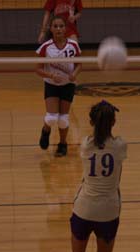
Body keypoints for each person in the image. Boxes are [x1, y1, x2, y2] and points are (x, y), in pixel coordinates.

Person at [69, 100, 127, 252]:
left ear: (91, 122)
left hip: (83, 209)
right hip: (109, 212)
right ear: (113, 122)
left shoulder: (85, 145)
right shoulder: (120, 146)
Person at [36, 16, 82, 157]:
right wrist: (51, 76)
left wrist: (74, 73)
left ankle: (62, 145)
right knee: (51, 118)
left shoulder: (73, 46)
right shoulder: (46, 47)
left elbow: (79, 64)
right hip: (52, 85)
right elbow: (38, 69)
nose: (58, 29)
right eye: (55, 26)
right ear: (51, 29)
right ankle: (45, 131)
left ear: (66, 29)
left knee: (63, 120)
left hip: (68, 85)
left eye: (61, 26)